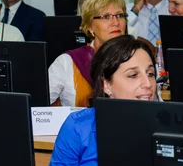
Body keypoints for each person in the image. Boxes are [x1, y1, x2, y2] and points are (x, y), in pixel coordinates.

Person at [49, 35, 157, 166]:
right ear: (106, 85)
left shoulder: (168, 128)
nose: (148, 83)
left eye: (150, 74)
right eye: (133, 75)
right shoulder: (78, 127)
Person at [48, 0, 128, 107]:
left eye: (120, 15)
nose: (116, 22)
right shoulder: (68, 62)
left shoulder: (136, 57)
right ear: (90, 26)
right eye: (106, 16)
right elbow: (38, 104)